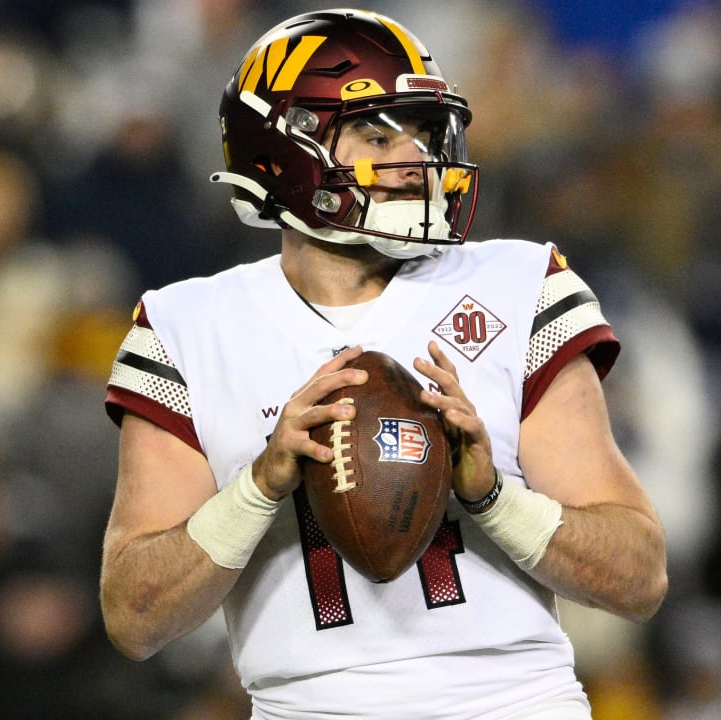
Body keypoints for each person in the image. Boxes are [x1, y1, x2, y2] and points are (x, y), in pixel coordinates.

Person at [99, 9, 667, 720]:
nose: (417, 158)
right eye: (377, 132)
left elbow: (639, 576)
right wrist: (261, 485)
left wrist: (494, 496)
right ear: (287, 146)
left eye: (424, 134)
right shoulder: (188, 328)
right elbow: (134, 616)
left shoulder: (518, 286)